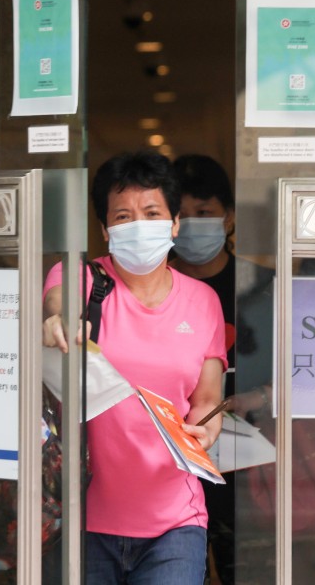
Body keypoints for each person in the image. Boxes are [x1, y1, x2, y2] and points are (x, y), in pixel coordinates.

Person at [42, 150, 226, 583]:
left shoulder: (202, 302)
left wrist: (205, 428)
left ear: (174, 222)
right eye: (123, 216)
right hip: (84, 519)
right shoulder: (82, 282)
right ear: (105, 229)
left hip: (176, 521)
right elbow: (58, 300)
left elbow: (206, 400)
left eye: (151, 212)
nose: (138, 225)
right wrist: (56, 317)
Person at [171, 153, 237, 585]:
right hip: (173, 466)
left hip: (248, 472)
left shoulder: (259, 288)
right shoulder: (153, 290)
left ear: (229, 217)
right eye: (182, 213)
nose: (192, 224)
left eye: (205, 212)